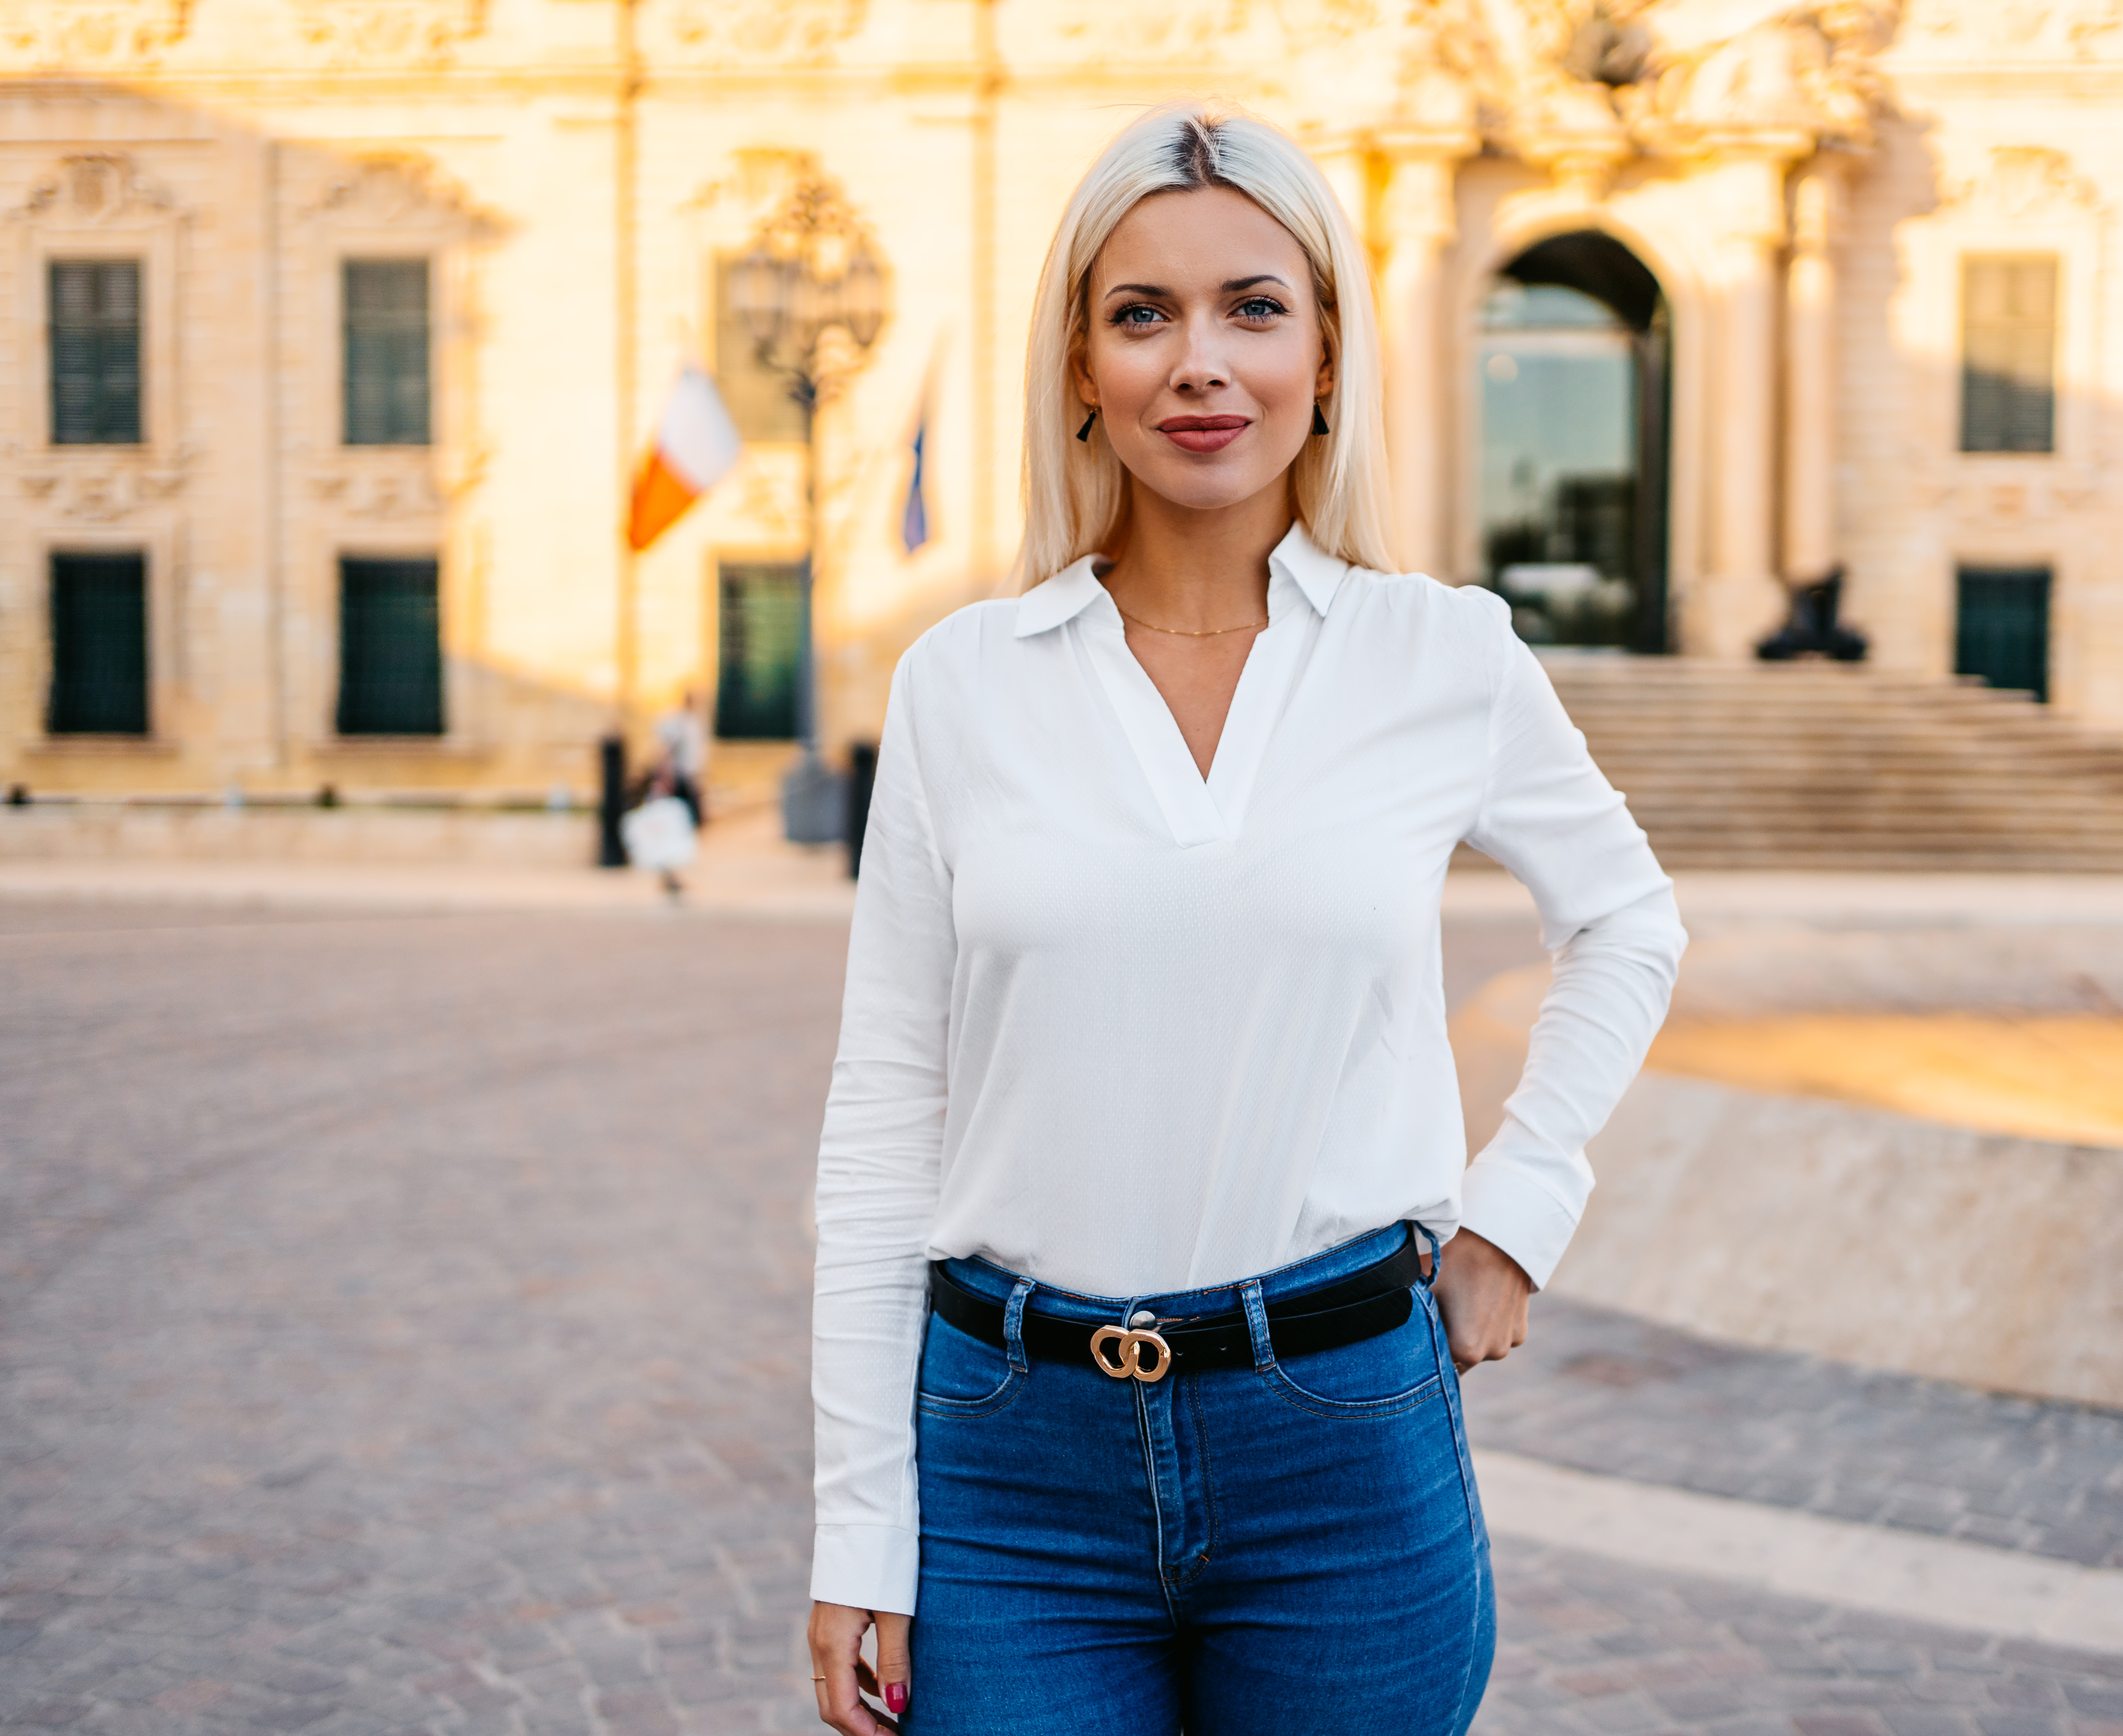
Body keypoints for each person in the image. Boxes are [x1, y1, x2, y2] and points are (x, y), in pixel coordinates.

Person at [808, 104, 1684, 1736]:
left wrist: (1517, 1209)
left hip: (1341, 1448)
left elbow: (1628, 922)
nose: (1199, 362)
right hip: (1010, 1466)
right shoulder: (962, 685)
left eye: (1254, 309)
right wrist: (860, 1522)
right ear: (1080, 366)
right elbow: (883, 1112)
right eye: (1143, 314)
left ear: (1327, 354)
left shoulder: (1442, 657)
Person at [655, 687, 710, 828]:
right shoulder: (680, 722)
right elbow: (669, 748)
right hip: (681, 774)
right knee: (686, 812)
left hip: (691, 773)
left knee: (693, 813)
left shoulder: (694, 722)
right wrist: (665, 771)